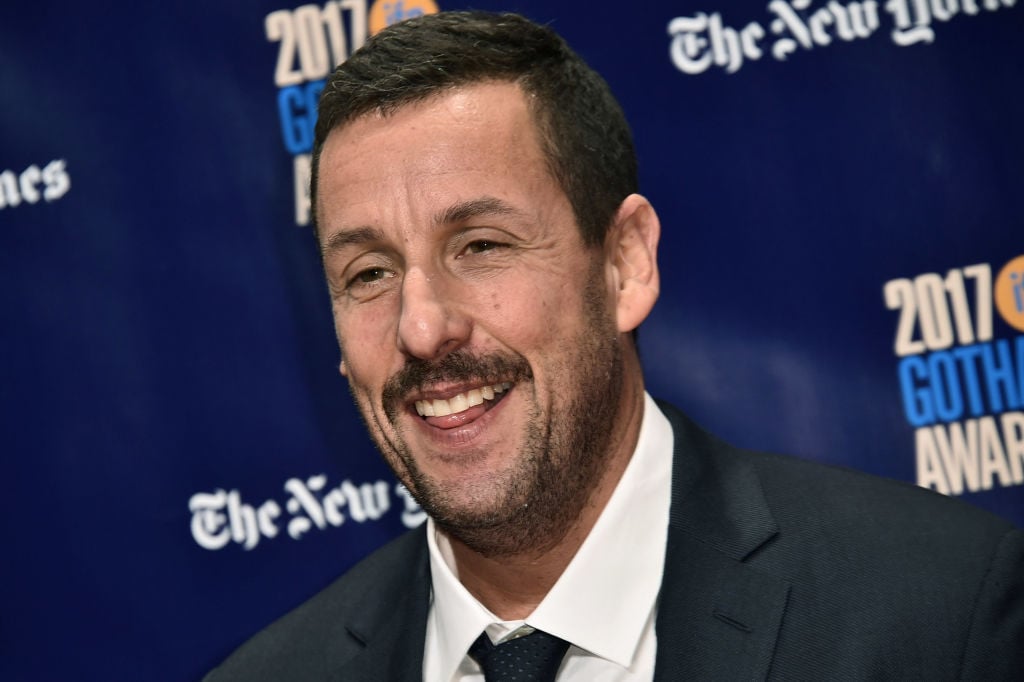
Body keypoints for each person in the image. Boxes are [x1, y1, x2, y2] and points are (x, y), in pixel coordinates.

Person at [207, 10, 1024, 681]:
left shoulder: (937, 614)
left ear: (626, 265)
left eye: (481, 246)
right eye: (370, 273)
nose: (421, 328)